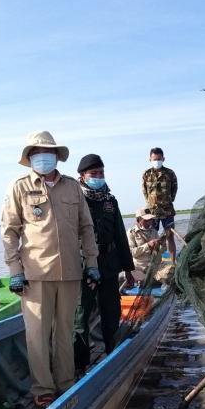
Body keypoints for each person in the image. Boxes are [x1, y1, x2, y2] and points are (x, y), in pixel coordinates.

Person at [1, 131, 99, 409]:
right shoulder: (19, 187)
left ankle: (64, 383)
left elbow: (86, 227)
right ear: (29, 157)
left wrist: (92, 264)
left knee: (65, 331)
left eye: (47, 152)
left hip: (70, 271)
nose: (42, 157)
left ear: (56, 155)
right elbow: (9, 231)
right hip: (34, 273)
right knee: (37, 333)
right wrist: (15, 269)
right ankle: (43, 387)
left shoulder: (72, 187)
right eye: (36, 153)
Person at [74, 154, 135, 373]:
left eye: (101, 173)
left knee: (111, 314)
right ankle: (80, 366)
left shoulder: (110, 201)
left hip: (109, 266)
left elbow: (120, 236)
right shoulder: (75, 200)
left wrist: (128, 270)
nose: (98, 177)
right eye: (94, 173)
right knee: (80, 318)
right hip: (83, 268)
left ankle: (113, 358)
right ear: (82, 175)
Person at [142, 147, 178, 264]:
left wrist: (168, 200)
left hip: (167, 211)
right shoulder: (146, 174)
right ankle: (155, 264)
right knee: (153, 238)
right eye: (154, 159)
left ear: (163, 159)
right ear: (150, 160)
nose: (157, 161)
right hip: (152, 212)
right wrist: (151, 203)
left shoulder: (170, 173)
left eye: (159, 159)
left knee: (170, 236)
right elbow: (145, 191)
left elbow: (174, 188)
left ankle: (173, 263)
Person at [126, 208, 170, 286]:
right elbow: (131, 253)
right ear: (138, 220)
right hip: (139, 266)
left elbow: (163, 251)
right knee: (130, 269)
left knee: (173, 269)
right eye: (146, 220)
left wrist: (162, 244)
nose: (149, 222)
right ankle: (153, 279)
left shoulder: (154, 231)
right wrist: (147, 245)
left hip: (154, 265)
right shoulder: (131, 232)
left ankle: (147, 280)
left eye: (150, 220)